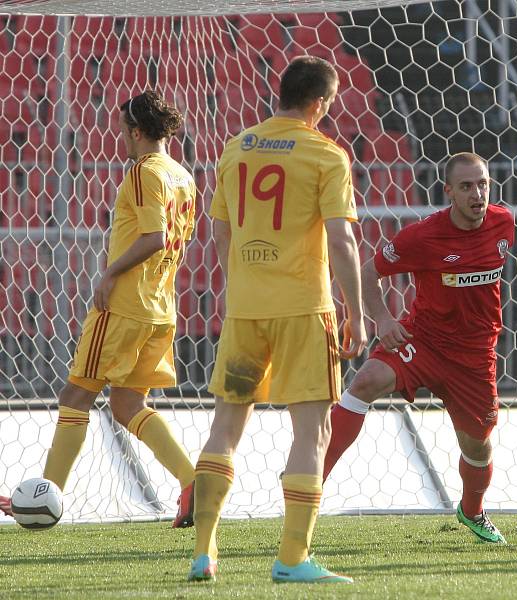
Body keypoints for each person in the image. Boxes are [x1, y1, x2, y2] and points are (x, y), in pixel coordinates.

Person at [187, 56, 366, 584]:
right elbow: (342, 238)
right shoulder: (326, 154)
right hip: (303, 310)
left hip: (246, 310)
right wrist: (355, 311)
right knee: (312, 430)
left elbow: (218, 229)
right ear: (319, 104)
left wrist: (241, 281)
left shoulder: (237, 147)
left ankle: (203, 551)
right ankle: (291, 559)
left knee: (226, 425)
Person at [0, 90, 198, 528]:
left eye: (123, 132)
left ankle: (41, 500)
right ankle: (193, 480)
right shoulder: (183, 176)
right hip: (160, 307)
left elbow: (154, 238)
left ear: (137, 131)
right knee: (127, 405)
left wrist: (109, 273)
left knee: (76, 396)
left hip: (125, 305)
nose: (120, 141)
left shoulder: (144, 172)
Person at [323, 152, 514, 544]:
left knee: (477, 446)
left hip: (475, 358)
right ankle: (309, 482)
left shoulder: (503, 223)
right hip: (424, 341)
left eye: (482, 184)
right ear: (449, 192)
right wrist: (384, 320)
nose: (477, 193)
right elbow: (369, 272)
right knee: (365, 381)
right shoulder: (423, 236)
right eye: (466, 186)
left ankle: (472, 510)